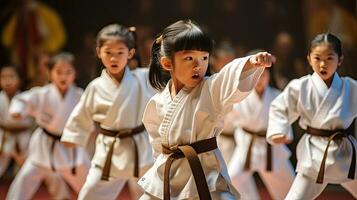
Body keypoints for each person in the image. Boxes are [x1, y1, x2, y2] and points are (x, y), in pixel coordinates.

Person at [138, 19, 274, 200]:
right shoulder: (157, 102)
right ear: (168, 63)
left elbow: (228, 76)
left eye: (204, 58)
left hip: (203, 170)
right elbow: (157, 144)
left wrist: (251, 62)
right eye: (189, 58)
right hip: (168, 173)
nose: (198, 66)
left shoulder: (210, 89)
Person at [61, 23, 155, 200]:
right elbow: (82, 114)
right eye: (108, 53)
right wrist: (73, 135)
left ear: (131, 53)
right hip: (109, 152)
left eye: (120, 52)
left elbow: (165, 86)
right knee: (89, 195)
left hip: (141, 150)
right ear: (98, 53)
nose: (114, 58)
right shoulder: (95, 87)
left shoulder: (144, 78)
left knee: (154, 194)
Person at [267, 33, 357, 199]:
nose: (323, 64)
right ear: (309, 59)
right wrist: (279, 130)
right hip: (314, 156)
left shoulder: (351, 87)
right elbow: (280, 108)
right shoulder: (300, 87)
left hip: (346, 155)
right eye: (317, 58)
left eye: (329, 58)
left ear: (340, 60)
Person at [6, 52, 90, 200]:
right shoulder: (42, 94)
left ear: (74, 74)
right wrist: (18, 111)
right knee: (24, 182)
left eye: (68, 72)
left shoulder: (79, 95)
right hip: (44, 147)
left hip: (70, 147)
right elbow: (22, 100)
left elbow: (92, 114)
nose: (63, 77)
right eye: (58, 72)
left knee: (91, 187)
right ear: (50, 73)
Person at [228, 51, 295, 199]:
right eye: (255, 76)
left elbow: (284, 119)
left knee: (291, 189)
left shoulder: (277, 96)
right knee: (231, 180)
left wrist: (284, 134)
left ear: (269, 76)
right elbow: (228, 116)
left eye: (263, 75)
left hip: (272, 148)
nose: (259, 80)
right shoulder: (240, 96)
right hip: (247, 147)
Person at [0, 65, 33, 177]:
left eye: (11, 77)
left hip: (23, 138)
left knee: (26, 172)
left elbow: (30, 122)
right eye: (3, 77)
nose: (7, 81)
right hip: (4, 137)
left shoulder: (25, 98)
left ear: (19, 80)